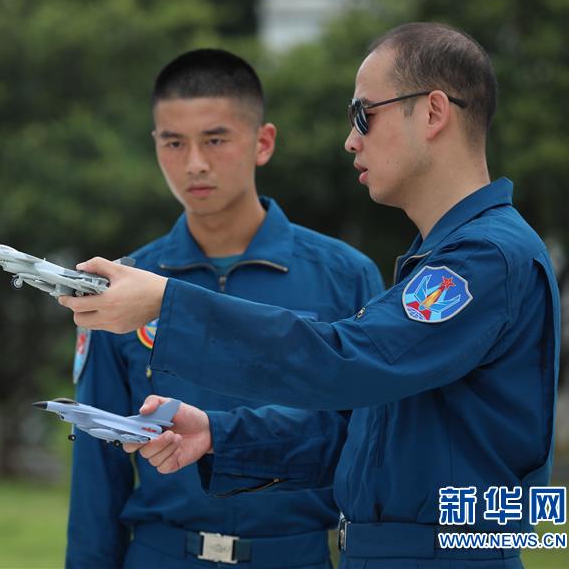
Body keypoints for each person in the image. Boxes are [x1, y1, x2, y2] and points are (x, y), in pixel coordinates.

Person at [60, 23, 561, 568]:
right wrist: (217, 436)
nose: (351, 139)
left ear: (434, 112)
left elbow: (344, 361)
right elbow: (363, 432)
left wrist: (167, 304)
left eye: (364, 114)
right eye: (174, 142)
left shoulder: (482, 260)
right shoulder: (447, 257)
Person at [66, 49, 384, 569]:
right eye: (174, 142)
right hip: (162, 552)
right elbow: (96, 464)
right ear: (155, 146)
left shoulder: (345, 276)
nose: (194, 163)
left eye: (215, 139)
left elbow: (367, 442)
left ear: (263, 142)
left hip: (295, 554)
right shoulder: (123, 284)